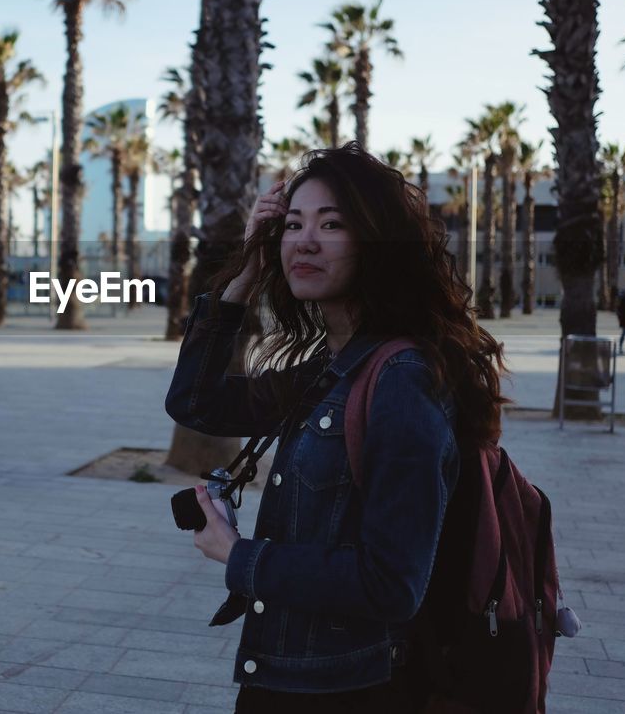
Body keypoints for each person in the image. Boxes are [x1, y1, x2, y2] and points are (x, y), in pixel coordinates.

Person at [165, 145, 508, 712]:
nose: (304, 240)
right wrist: (244, 273)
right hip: (295, 674)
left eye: (332, 224)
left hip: (348, 690)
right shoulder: (332, 368)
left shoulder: (401, 379)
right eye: (293, 224)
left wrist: (239, 555)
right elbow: (196, 402)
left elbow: (391, 584)